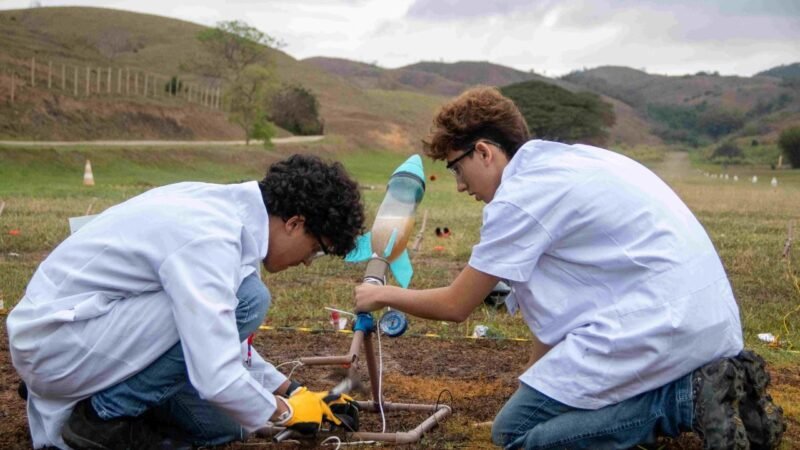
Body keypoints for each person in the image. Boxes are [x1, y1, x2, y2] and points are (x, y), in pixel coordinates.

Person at [354, 87, 785, 449]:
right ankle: (704, 385)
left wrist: (380, 294)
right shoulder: (572, 161)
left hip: (663, 325)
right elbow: (547, 319)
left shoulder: (519, 198)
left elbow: (455, 305)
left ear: (483, 152)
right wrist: (537, 393)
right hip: (702, 319)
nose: (460, 184)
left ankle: (682, 401)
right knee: (533, 416)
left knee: (515, 434)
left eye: (456, 167)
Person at [8, 154, 365, 449]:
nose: (306, 261)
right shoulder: (210, 236)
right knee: (250, 300)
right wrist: (286, 411)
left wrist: (295, 391)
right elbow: (215, 373)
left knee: (225, 425)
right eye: (315, 250)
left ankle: (94, 401)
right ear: (294, 223)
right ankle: (102, 416)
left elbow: (218, 333)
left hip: (84, 334)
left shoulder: (225, 215)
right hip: (58, 345)